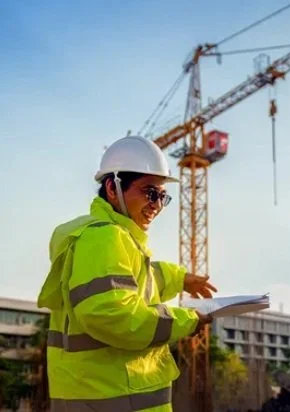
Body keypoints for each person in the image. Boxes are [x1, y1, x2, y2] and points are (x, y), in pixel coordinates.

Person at [37, 135, 217, 411]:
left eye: (162, 196)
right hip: (110, 398)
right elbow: (113, 314)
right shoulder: (103, 237)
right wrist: (186, 320)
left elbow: (139, 280)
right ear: (112, 187)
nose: (157, 205)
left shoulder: (117, 238)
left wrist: (179, 278)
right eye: (149, 192)